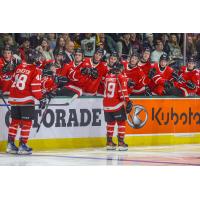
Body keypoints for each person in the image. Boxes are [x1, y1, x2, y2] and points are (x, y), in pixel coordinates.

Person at [7, 51, 47, 155]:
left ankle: (10, 144)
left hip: (14, 99)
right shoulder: (36, 70)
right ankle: (23, 145)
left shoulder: (19, 66)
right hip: (26, 100)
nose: (39, 60)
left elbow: (12, 80)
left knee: (15, 121)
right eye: (37, 58)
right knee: (26, 123)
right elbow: (35, 88)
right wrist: (41, 99)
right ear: (33, 59)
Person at [103, 62, 133, 151]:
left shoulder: (108, 76)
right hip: (116, 104)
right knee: (121, 122)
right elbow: (122, 92)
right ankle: (121, 142)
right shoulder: (120, 77)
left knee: (110, 123)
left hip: (106, 104)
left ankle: (109, 142)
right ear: (120, 69)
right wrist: (128, 101)